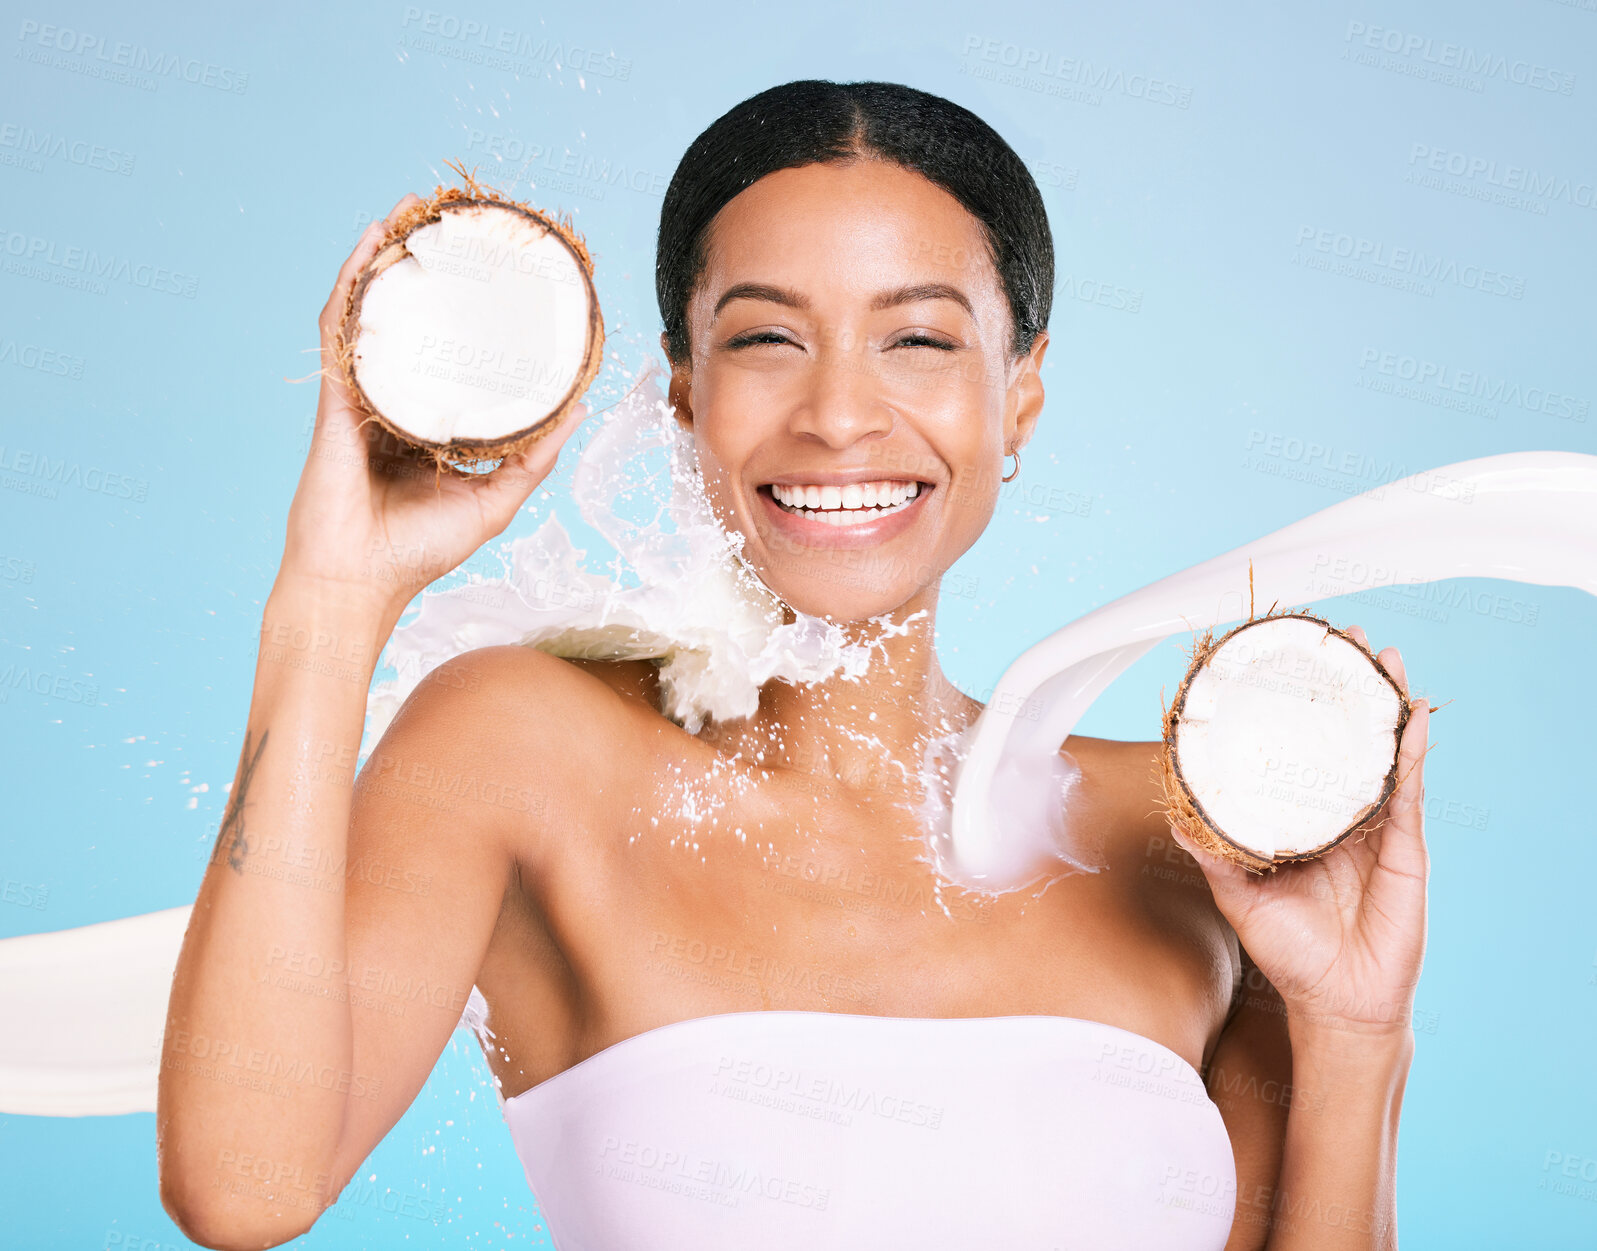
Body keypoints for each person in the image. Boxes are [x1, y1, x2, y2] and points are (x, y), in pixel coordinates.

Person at [157, 80, 1430, 1250]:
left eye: (919, 342)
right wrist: (332, 599)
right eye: (766, 339)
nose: (835, 415)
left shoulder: (1189, 837)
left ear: (1019, 401)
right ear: (682, 391)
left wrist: (1355, 1037)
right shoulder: (522, 750)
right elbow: (243, 1186)